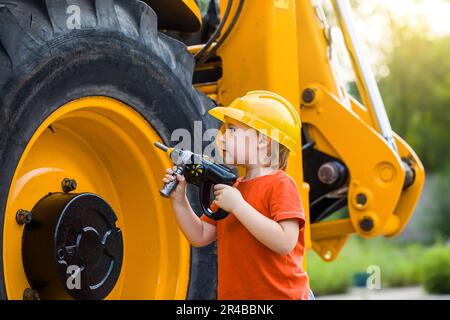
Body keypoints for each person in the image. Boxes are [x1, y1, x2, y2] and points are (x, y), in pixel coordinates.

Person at [163, 91, 313, 300]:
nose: (221, 137)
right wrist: (180, 200)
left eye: (231, 130)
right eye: (224, 130)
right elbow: (199, 235)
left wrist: (239, 206)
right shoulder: (233, 188)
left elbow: (285, 242)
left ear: (263, 140)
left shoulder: (280, 185)